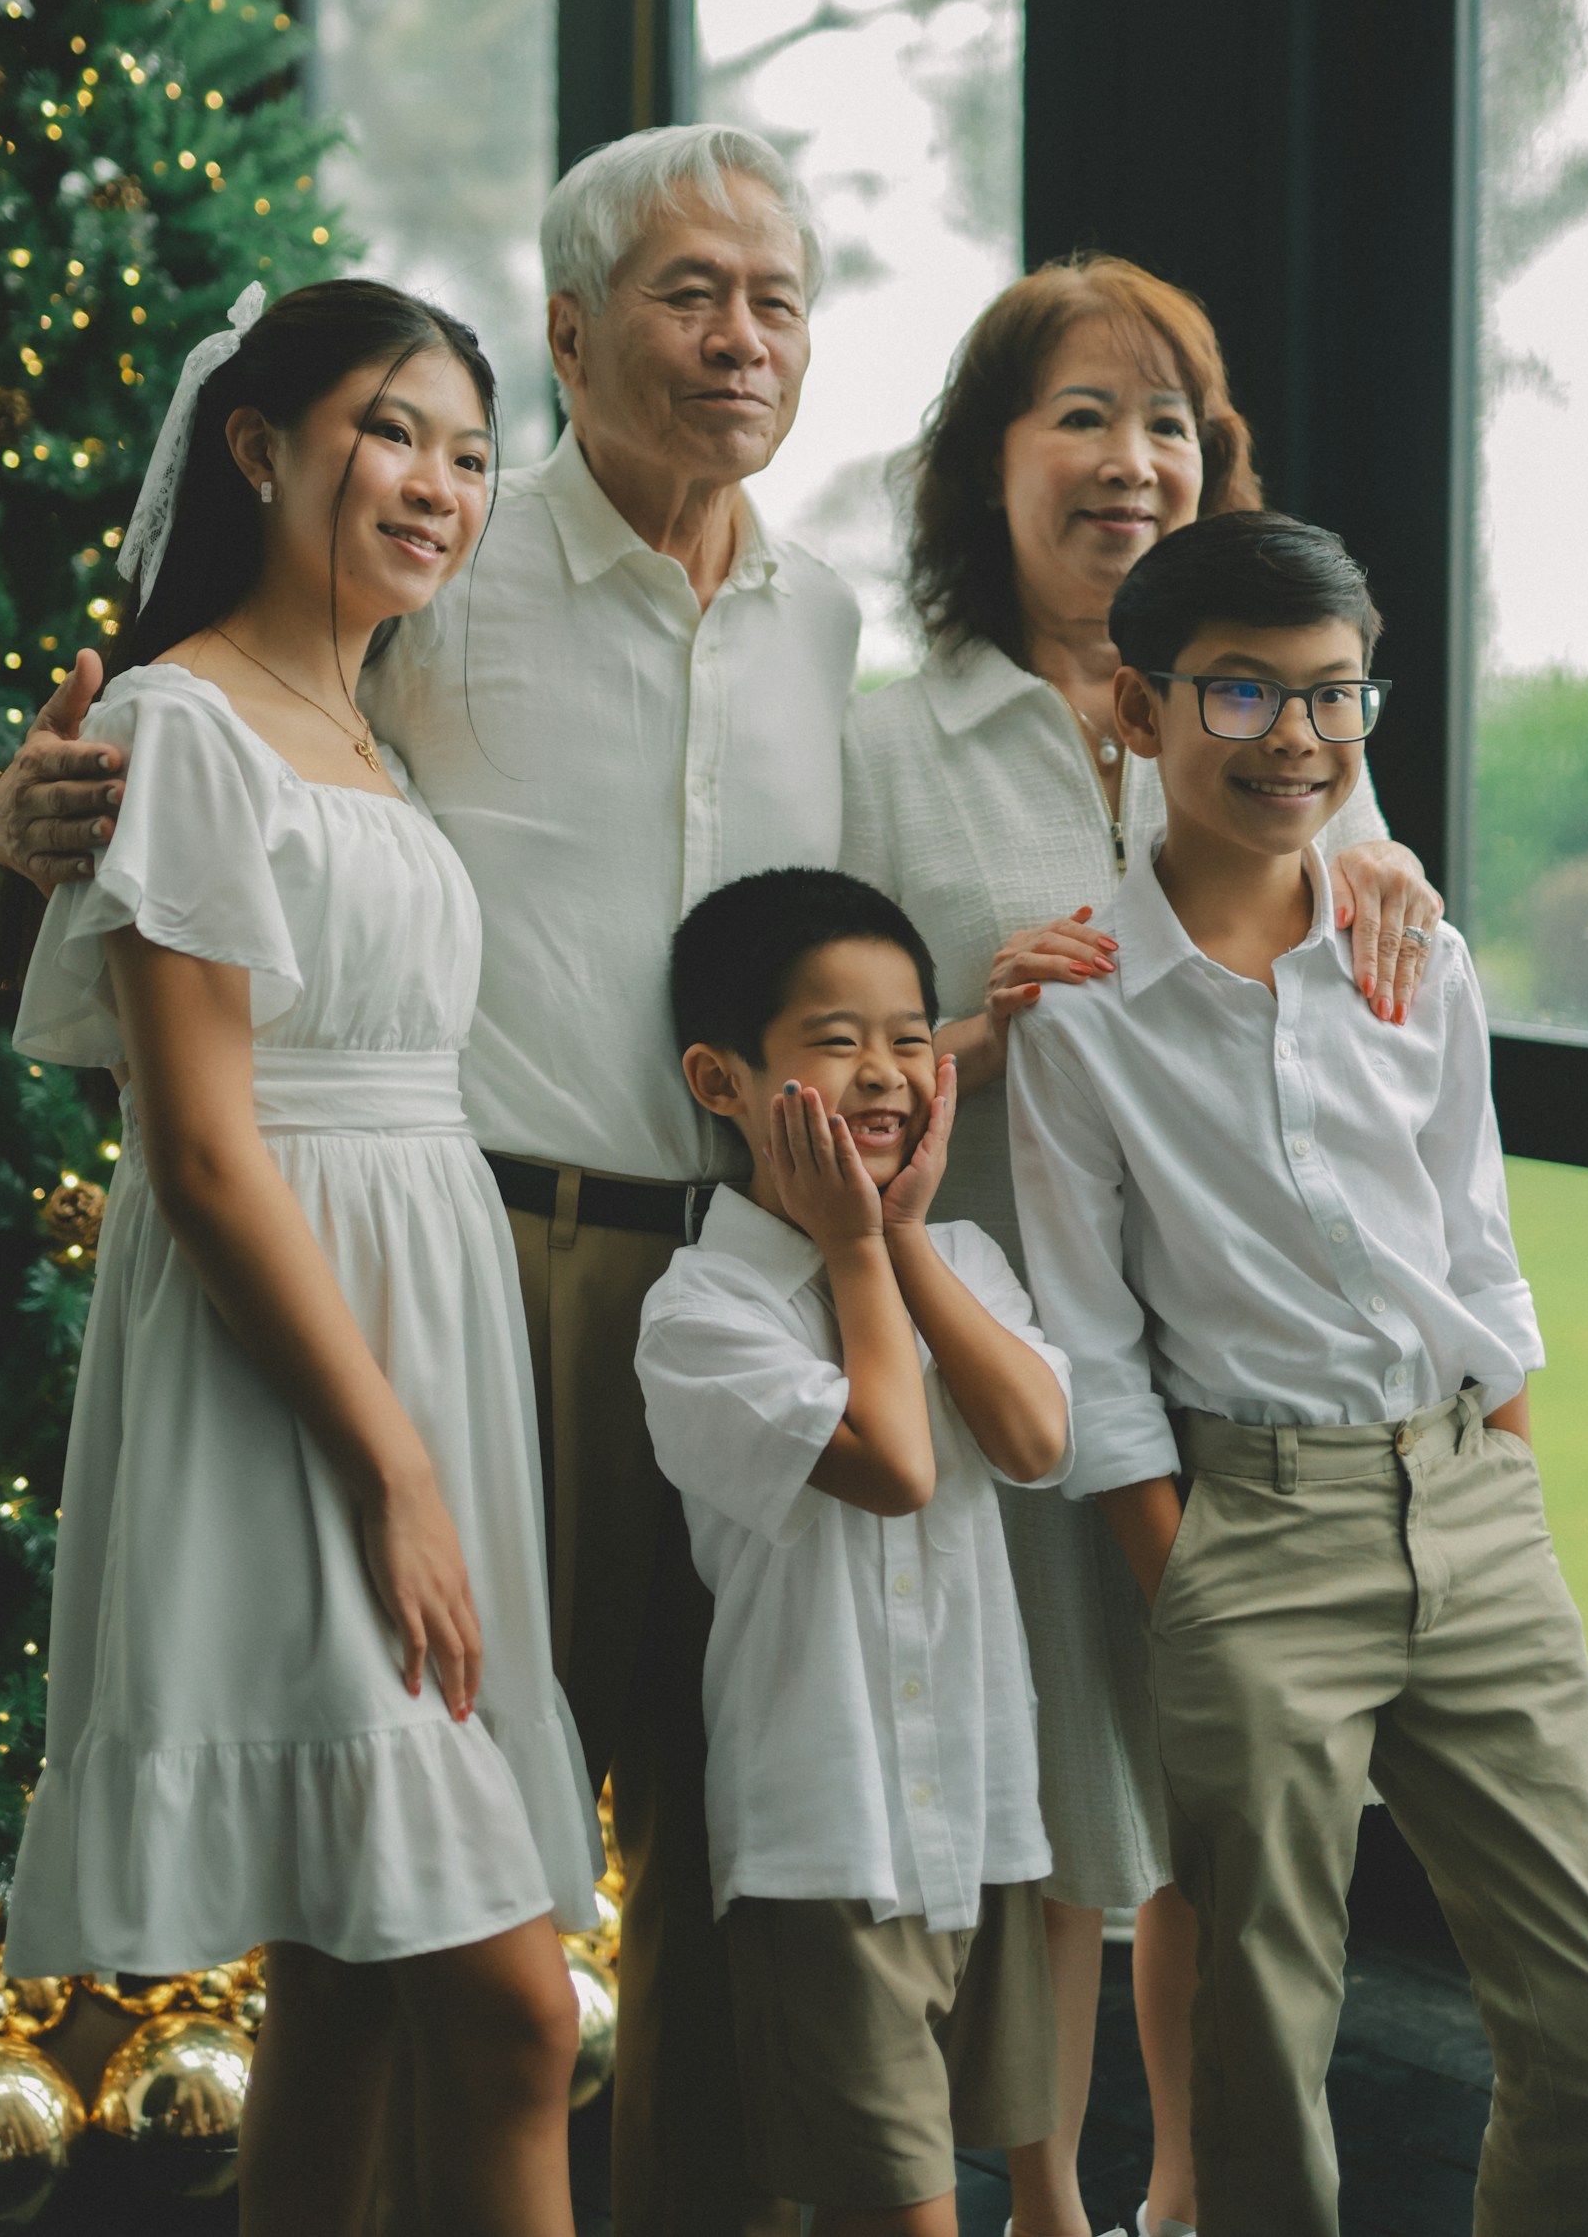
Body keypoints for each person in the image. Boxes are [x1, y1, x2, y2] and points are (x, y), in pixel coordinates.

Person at [0, 124, 855, 2237]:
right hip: (470, 1273)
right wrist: (41, 810)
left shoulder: (815, 622)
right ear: (577, 329)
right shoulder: (436, 606)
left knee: (673, 1857)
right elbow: (180, 898)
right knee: (458, 1951)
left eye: (778, 298)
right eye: (688, 291)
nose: (739, 335)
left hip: (695, 1282)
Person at [842, 257, 1442, 2237]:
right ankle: (1039, 2197)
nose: (1131, 460)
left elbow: (1363, 977)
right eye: (1081, 417)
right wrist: (966, 1038)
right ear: (987, 467)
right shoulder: (894, 740)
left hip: (1247, 1361)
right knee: (1053, 1805)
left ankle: (1197, 2198)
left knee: (1228, 1807)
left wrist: (1390, 876)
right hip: (1014, 1345)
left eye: (1168, 419)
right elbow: (827, 1050)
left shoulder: (1275, 717)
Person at [4, 277, 599, 2237]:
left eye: (467, 451)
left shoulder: (374, 722)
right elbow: (195, 1144)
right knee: (512, 2014)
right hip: (301, 1362)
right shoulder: (178, 724)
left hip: (429, 1324)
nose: (436, 482)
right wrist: (392, 1462)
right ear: (259, 447)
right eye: (390, 431)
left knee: (351, 1972)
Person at [1007, 508, 1588, 2237]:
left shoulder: (1416, 958)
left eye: (1332, 696)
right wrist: (1189, 1582)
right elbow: (1090, 1344)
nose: (1296, 739)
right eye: (1240, 696)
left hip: (1469, 1506)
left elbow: (1474, 1250)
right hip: (1253, 1535)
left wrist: (1503, 1478)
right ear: (1136, 714)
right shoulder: (1080, 1014)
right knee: (1256, 2041)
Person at [637, 869, 1074, 2235]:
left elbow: (1035, 1439)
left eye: (911, 1035)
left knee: (867, 2190)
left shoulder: (964, 1262)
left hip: (978, 1819)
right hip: (827, 1842)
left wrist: (893, 1244)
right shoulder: (703, 1312)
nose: (889, 1075)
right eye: (837, 1041)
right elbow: (894, 1465)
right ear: (722, 1079)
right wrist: (851, 1247)